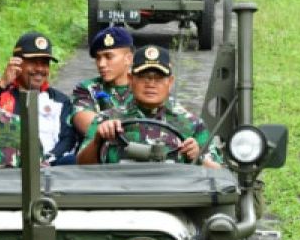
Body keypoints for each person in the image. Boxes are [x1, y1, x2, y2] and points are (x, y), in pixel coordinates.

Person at [77, 45, 222, 168]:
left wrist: (198, 157)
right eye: (143, 77)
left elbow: (219, 174)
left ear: (170, 82)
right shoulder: (107, 120)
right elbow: (82, 167)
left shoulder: (192, 125)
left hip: (173, 198)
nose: (151, 84)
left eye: (158, 78)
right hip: (118, 197)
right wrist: (98, 140)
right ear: (131, 80)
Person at [0, 32, 79, 165]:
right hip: (8, 166)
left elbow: (67, 138)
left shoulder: (60, 100)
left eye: (45, 63)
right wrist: (2, 84)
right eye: (33, 62)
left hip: (50, 166)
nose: (40, 69)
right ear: (16, 63)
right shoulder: (0, 96)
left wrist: (46, 159)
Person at [70, 26, 135, 135]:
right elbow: (86, 123)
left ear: (128, 58)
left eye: (108, 57)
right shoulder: (88, 88)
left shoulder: (145, 87)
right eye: (98, 58)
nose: (101, 64)